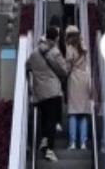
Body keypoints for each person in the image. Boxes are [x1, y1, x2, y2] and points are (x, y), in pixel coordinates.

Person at [26, 26, 69, 162]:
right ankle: (49, 150)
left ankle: (44, 141)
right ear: (56, 38)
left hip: (39, 92)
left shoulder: (34, 53)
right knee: (52, 121)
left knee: (45, 118)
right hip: (53, 92)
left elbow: (27, 66)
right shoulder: (55, 52)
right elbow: (64, 70)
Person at [65, 25, 91, 150]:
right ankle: (83, 143)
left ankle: (73, 142)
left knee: (73, 112)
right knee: (84, 113)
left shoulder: (70, 49)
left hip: (74, 80)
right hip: (84, 79)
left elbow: (68, 67)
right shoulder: (83, 48)